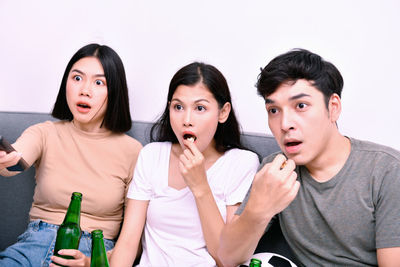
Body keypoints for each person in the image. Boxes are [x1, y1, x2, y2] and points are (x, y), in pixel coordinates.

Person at [218, 48, 400, 266]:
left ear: (333, 108)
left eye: (301, 106)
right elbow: (228, 258)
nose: (285, 124)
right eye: (273, 110)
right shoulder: (276, 170)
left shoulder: (387, 171)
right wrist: (258, 208)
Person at [0, 43, 142, 267]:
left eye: (98, 82)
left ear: (114, 91)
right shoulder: (45, 133)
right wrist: (6, 159)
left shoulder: (134, 152)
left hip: (92, 253)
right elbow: (17, 159)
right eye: (77, 78)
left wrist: (88, 262)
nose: (85, 90)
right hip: (32, 246)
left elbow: (134, 243)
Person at [108, 62, 260, 266]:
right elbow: (127, 243)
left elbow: (225, 258)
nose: (186, 120)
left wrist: (200, 186)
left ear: (223, 112)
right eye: (178, 107)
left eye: (200, 108)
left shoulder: (240, 163)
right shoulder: (151, 156)